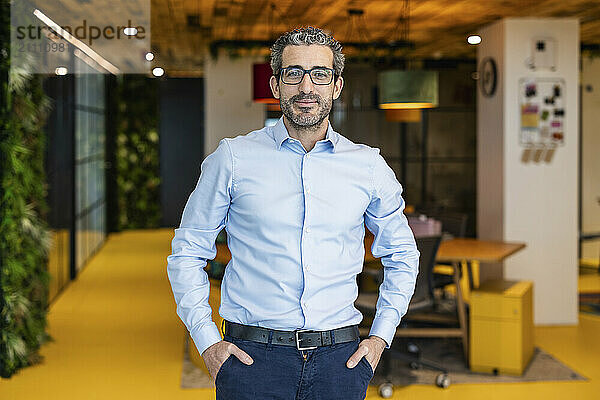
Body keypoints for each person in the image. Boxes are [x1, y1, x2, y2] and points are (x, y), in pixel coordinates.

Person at [166, 26, 419, 400]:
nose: (306, 87)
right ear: (275, 85)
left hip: (341, 363)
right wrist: (207, 341)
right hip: (251, 361)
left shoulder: (367, 165)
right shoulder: (233, 158)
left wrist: (381, 336)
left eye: (320, 74)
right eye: (293, 73)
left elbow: (403, 254)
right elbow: (186, 252)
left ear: (336, 86)